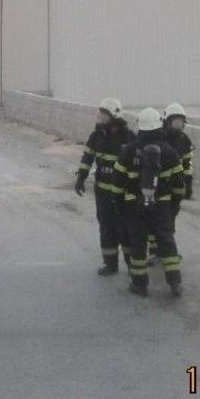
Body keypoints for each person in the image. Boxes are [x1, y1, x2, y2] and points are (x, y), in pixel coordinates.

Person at [115, 108, 185, 297]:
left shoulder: (128, 150)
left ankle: (139, 284)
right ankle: (175, 283)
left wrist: (119, 204)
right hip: (161, 205)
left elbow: (118, 182)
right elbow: (179, 185)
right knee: (167, 242)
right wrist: (174, 205)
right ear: (159, 124)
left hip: (134, 205)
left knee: (138, 244)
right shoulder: (170, 152)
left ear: (140, 126)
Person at [75, 98, 134, 276]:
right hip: (102, 192)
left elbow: (137, 163)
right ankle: (110, 264)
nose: (100, 117)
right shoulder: (96, 136)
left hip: (122, 193)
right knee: (106, 227)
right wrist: (81, 178)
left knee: (126, 229)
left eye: (104, 115)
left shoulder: (128, 137)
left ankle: (134, 265)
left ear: (114, 116)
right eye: (99, 114)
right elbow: (87, 158)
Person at [162, 103, 196, 200]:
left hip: (177, 183)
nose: (179, 124)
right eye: (176, 121)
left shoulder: (184, 140)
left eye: (181, 121)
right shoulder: (159, 137)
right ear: (168, 121)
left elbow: (187, 165)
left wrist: (188, 187)